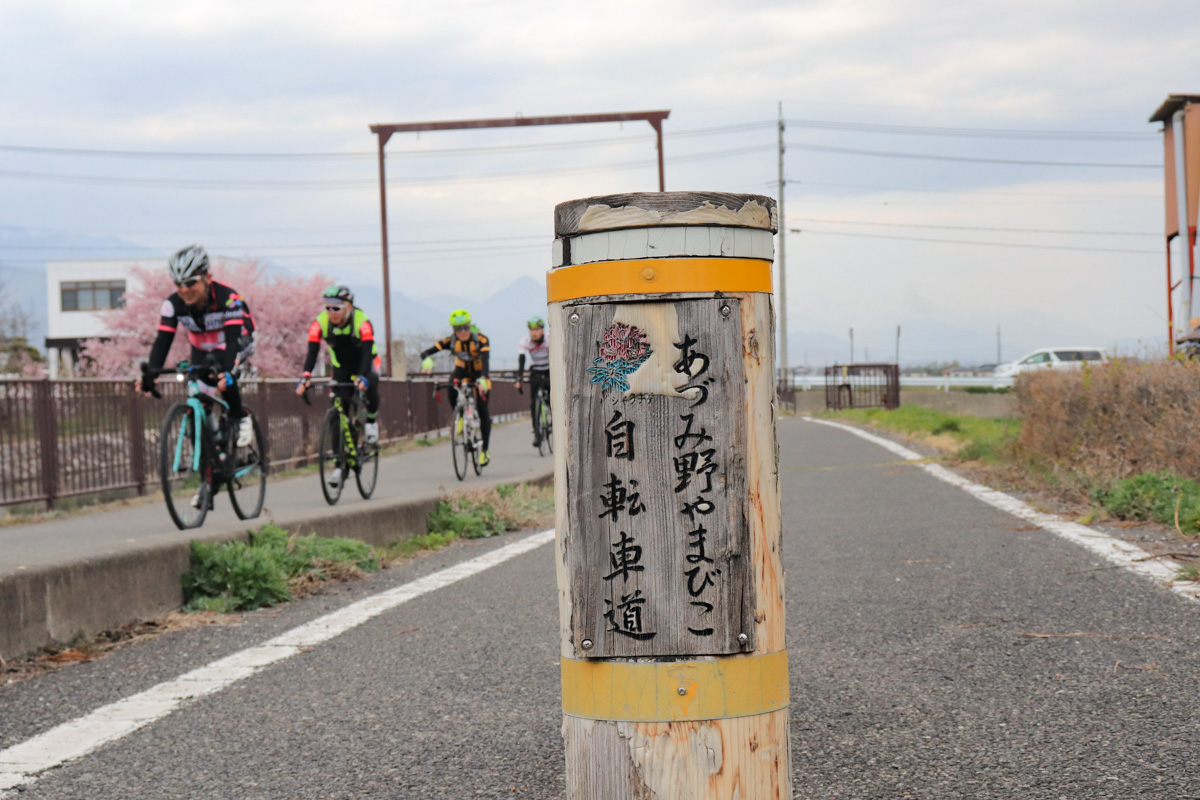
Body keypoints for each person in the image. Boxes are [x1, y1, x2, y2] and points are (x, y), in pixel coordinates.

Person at [136, 244, 253, 451]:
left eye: (190, 283)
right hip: (202, 347)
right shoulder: (173, 305)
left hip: (237, 341)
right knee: (198, 389)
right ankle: (210, 452)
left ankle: (241, 417)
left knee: (220, 372)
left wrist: (228, 372)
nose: (184, 290)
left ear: (207, 278)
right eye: (178, 284)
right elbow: (163, 340)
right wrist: (151, 374)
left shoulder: (229, 298)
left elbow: (233, 340)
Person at [295, 285, 381, 487]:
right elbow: (312, 352)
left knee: (371, 382)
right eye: (328, 308)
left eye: (336, 308)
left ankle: (370, 420)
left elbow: (368, 351)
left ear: (348, 307)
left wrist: (363, 377)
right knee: (336, 413)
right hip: (341, 367)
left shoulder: (362, 321)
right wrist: (306, 375)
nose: (331, 313)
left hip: (365, 362)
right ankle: (338, 466)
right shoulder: (320, 323)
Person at [420, 309, 493, 466]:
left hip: (480, 371)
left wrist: (484, 379)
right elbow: (426, 352)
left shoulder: (481, 339)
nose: (463, 332)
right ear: (454, 330)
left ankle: (485, 450)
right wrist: (427, 360)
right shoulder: (451, 341)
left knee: (483, 409)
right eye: (458, 329)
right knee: (451, 386)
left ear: (470, 326)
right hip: (461, 370)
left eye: (465, 327)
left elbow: (486, 360)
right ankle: (459, 415)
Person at [515, 315, 550, 448]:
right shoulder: (525, 341)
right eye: (532, 329)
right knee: (534, 402)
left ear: (542, 330)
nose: (534, 332)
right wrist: (519, 378)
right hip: (535, 371)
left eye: (537, 329)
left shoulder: (548, 340)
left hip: (549, 370)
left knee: (552, 400)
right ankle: (537, 434)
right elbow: (522, 360)